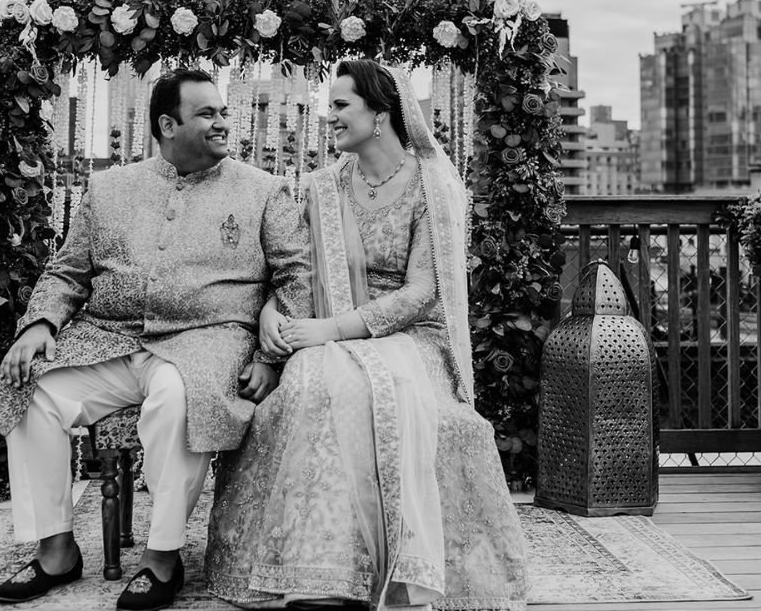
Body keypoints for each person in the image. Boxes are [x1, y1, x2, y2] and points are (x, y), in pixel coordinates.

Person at [0, 68, 312, 609]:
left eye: (224, 112)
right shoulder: (109, 188)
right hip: (110, 336)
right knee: (30, 389)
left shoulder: (263, 191)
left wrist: (271, 355)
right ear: (167, 124)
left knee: (177, 398)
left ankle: (162, 559)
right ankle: (56, 550)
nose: (223, 122)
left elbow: (298, 277)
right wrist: (39, 325)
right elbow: (66, 273)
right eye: (208, 114)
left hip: (208, 340)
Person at [205, 60, 528, 610]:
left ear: (380, 114)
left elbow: (422, 291)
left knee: (373, 390)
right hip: (326, 331)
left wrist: (333, 329)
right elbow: (289, 268)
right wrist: (268, 314)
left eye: (340, 105)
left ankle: (390, 570)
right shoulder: (321, 187)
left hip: (410, 337)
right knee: (310, 385)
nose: (328, 117)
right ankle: (321, 575)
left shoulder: (433, 186)